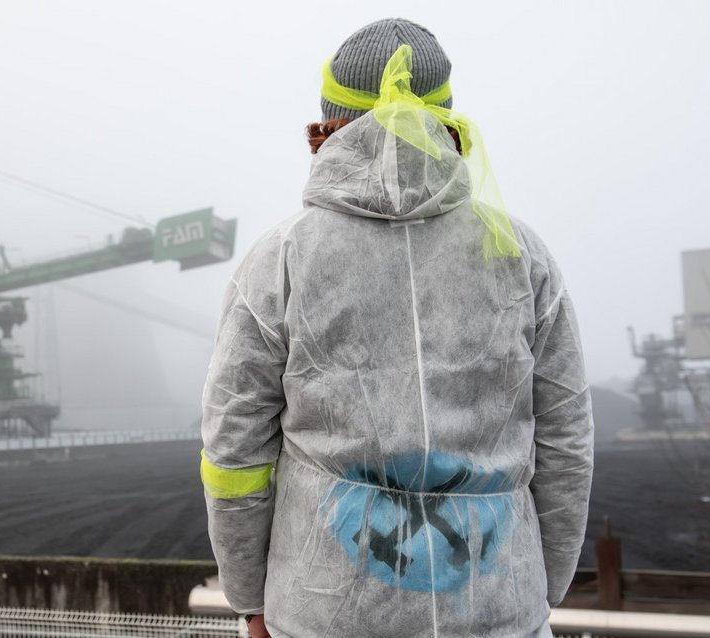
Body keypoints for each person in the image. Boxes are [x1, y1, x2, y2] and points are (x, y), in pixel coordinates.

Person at [200, 18, 594, 638]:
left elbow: (234, 451)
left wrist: (251, 600)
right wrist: (538, 588)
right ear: (448, 122)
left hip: (323, 616)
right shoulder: (520, 254)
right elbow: (567, 439)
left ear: (328, 127)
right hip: (499, 612)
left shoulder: (281, 259)